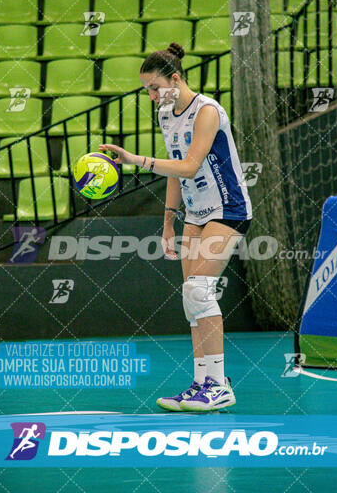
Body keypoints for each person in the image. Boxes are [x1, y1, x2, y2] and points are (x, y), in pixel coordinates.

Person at [99, 42, 252, 411]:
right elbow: (174, 167)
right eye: (147, 90)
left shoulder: (207, 112)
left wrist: (136, 159)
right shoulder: (167, 113)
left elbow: (189, 166)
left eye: (155, 87)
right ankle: (202, 383)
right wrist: (168, 223)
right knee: (191, 299)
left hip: (227, 208)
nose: (152, 96)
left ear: (176, 78)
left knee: (201, 291)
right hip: (196, 213)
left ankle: (219, 386)